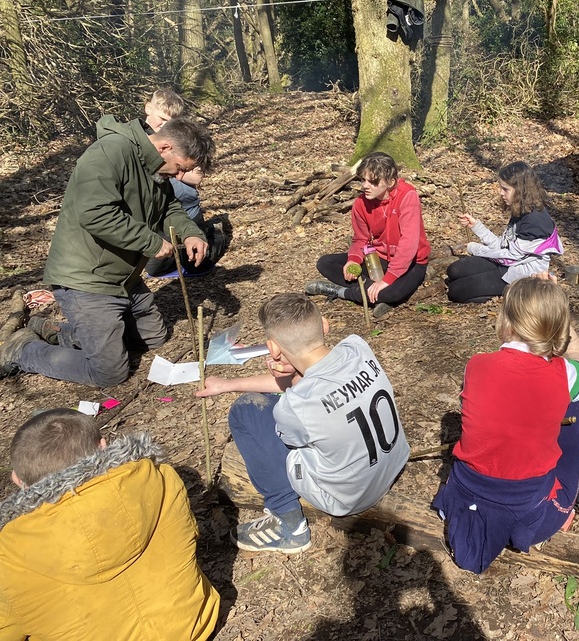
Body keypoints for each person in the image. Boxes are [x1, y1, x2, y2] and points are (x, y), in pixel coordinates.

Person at [433, 275, 579, 573]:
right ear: (558, 332)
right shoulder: (565, 372)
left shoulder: (477, 364)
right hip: (527, 513)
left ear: (505, 324)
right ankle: (565, 500)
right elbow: (577, 358)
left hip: (466, 495)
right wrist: (561, 317)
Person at [0, 116, 214, 385]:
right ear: (165, 148)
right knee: (109, 372)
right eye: (181, 168)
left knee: (153, 338)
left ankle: (59, 332)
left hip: (125, 278)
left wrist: (191, 232)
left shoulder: (158, 167)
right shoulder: (110, 152)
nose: (181, 176)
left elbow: (169, 208)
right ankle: (23, 351)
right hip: (87, 278)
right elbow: (95, 213)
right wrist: (150, 242)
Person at [196, 293, 409, 553]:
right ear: (325, 325)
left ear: (273, 348)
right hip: (394, 463)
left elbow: (295, 415)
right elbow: (316, 393)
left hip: (346, 499)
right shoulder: (357, 347)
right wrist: (229, 385)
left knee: (246, 411)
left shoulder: (296, 406)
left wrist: (294, 379)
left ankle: (288, 523)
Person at [0, 409, 220, 639]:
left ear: (17, 480)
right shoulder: (160, 478)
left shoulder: (10, 549)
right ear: (103, 446)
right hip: (192, 627)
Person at [305, 153, 430, 318]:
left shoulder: (407, 196)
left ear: (391, 182)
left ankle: (342, 292)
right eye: (363, 180)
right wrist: (353, 260)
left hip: (412, 262)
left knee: (392, 293)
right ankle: (374, 294)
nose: (365, 186)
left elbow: (409, 244)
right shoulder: (360, 204)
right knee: (325, 263)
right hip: (378, 259)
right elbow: (360, 240)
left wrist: (386, 281)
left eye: (373, 182)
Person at [446, 161, 563, 303]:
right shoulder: (522, 209)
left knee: (456, 291)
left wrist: (475, 248)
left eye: (505, 189)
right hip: (508, 263)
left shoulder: (535, 222)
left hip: (520, 272)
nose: (500, 193)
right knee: (454, 271)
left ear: (520, 190)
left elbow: (509, 258)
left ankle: (507, 293)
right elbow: (503, 246)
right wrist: (476, 227)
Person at [140, 88, 227, 278]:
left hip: (185, 208)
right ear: (148, 109)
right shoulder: (136, 141)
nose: (164, 126)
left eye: (169, 123)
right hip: (157, 214)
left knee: (197, 260)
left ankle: (214, 236)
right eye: (161, 120)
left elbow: (196, 177)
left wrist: (174, 167)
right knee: (154, 268)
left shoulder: (183, 140)